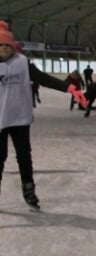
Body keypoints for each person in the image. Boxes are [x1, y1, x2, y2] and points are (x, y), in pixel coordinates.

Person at [0, 21, 87, 210]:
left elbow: (44, 79)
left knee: (24, 155)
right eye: (1, 45)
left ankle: (28, 189)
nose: (4, 48)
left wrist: (70, 88)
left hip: (19, 117)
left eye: (7, 45)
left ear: (13, 47)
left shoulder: (22, 63)